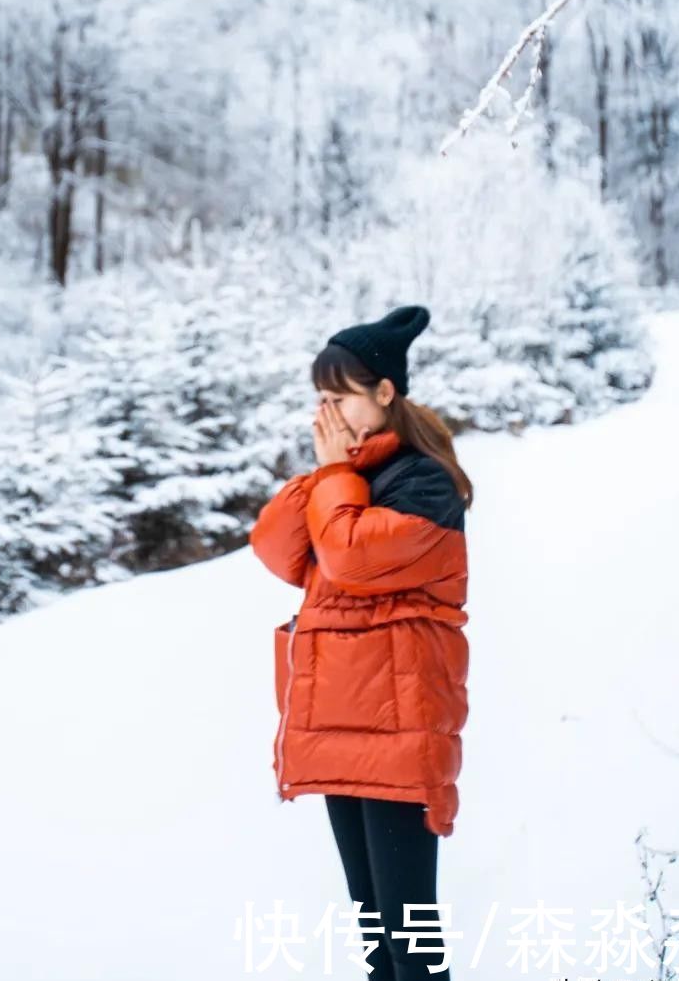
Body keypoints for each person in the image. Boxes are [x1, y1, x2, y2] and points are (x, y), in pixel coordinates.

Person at [248, 304, 473, 981]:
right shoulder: (344, 480)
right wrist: (328, 473)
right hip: (340, 721)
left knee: (412, 942)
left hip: (400, 727)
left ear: (384, 393)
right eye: (319, 399)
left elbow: (345, 557)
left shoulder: (424, 485)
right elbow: (277, 550)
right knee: (377, 937)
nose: (329, 414)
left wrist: (333, 478)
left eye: (340, 397)